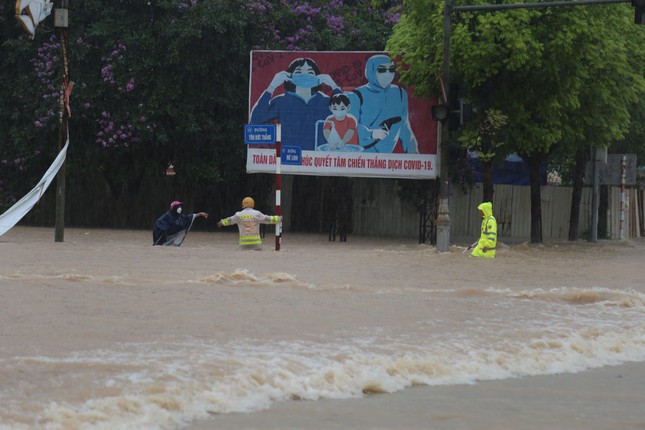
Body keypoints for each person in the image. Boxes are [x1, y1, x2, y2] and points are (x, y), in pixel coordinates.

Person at [250, 57, 341, 151]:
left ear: (318, 77)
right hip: (290, 156)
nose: (305, 75)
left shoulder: (325, 101)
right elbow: (256, 119)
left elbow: (346, 114)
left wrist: (334, 86)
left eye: (310, 72)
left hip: (318, 157)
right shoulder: (281, 101)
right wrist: (271, 87)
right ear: (289, 77)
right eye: (298, 72)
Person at [347, 54, 419, 154]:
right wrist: (371, 133)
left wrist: (415, 155)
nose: (387, 73)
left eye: (391, 69)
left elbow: (404, 128)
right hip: (362, 158)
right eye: (381, 70)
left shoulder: (400, 93)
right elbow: (349, 126)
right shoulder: (356, 95)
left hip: (386, 161)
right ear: (371, 71)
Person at [217, 197, 281, 250]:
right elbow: (267, 219)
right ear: (252, 204)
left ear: (243, 204)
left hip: (243, 244)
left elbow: (230, 220)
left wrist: (221, 222)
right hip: (256, 244)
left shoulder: (238, 215)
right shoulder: (256, 214)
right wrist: (279, 218)